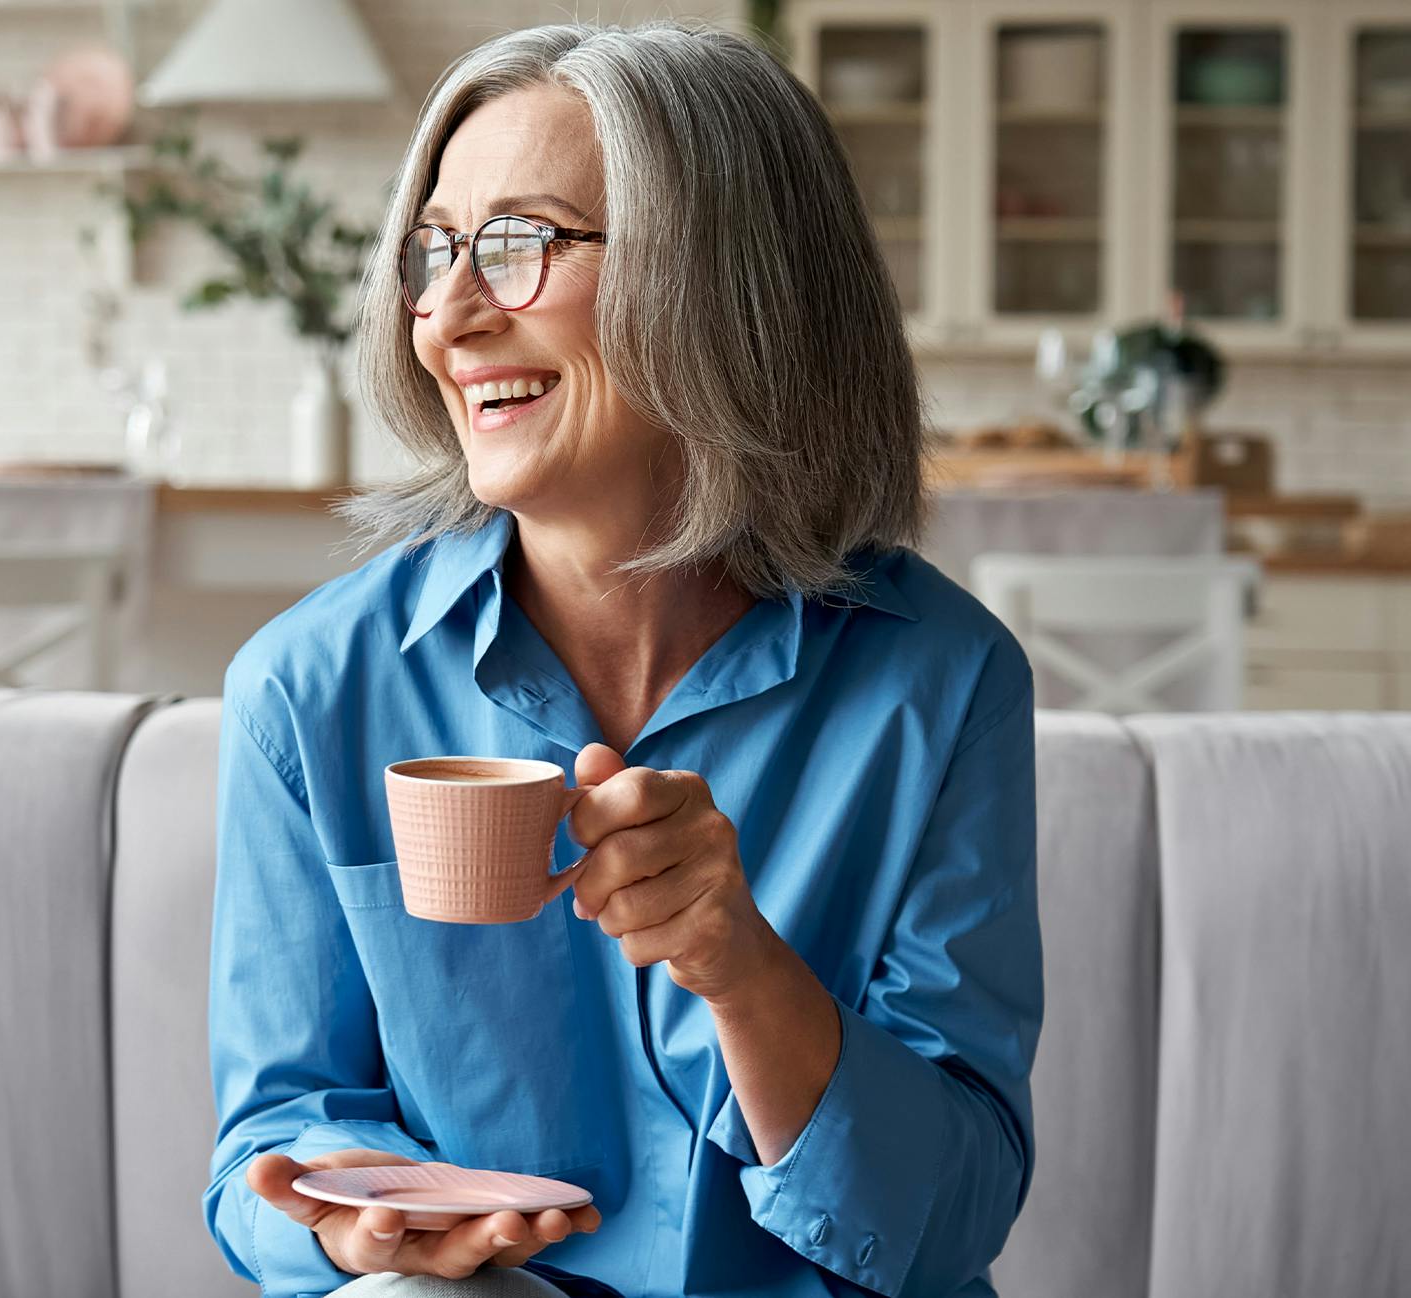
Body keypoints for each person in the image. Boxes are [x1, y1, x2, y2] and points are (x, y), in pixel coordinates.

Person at [204, 20, 1041, 1298]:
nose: (448, 315)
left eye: (522, 243)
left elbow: (950, 1219)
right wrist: (347, 1216)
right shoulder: (309, 691)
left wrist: (740, 963)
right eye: (435, 253)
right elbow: (272, 1136)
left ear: (725, 281)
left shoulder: (939, 684)